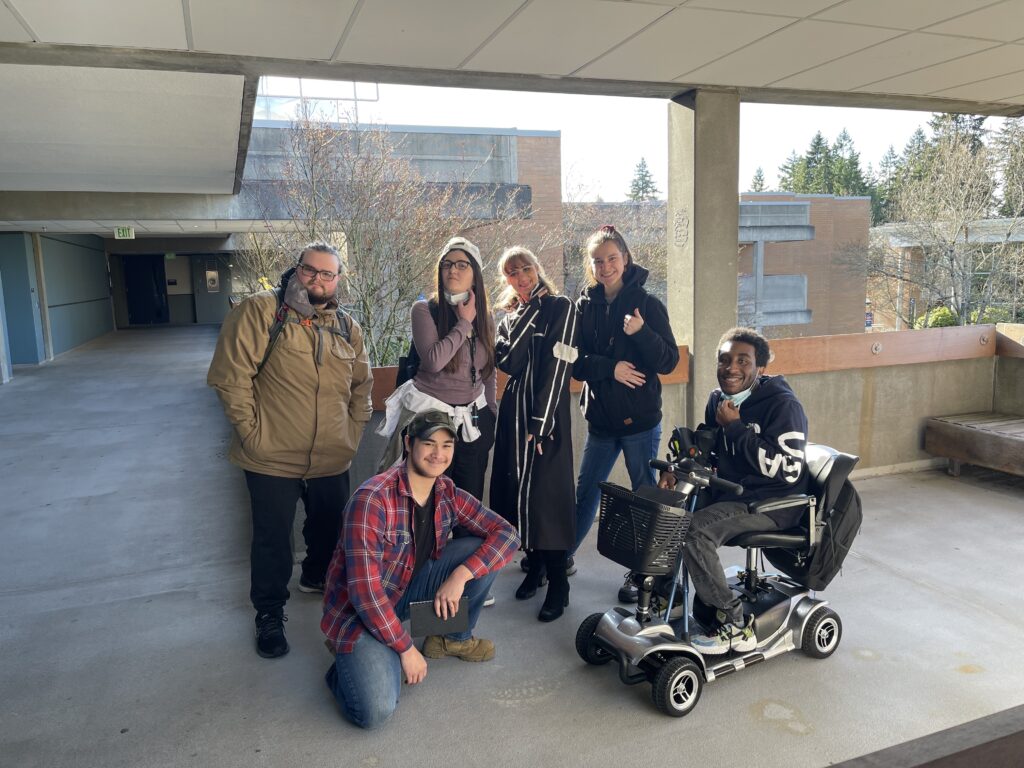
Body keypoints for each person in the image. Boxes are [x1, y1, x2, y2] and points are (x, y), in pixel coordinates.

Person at [207, 242, 373, 659]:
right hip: (272, 456)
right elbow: (230, 378)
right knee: (271, 540)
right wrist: (253, 434)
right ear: (297, 270)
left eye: (328, 274)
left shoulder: (347, 326)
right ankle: (268, 613)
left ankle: (316, 578)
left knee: (330, 530)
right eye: (310, 271)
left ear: (338, 280)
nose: (318, 279)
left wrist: (351, 434)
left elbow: (362, 387)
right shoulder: (261, 311)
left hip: (331, 454)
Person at [322, 410, 519, 730]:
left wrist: (459, 576)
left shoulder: (447, 491)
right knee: (375, 711)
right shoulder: (372, 499)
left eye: (447, 445)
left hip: (404, 591)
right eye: (429, 443)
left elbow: (507, 534)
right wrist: (405, 647)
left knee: (476, 554)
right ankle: (344, 665)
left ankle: (452, 638)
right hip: (360, 612)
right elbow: (365, 593)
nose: (438, 454)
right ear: (409, 443)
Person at [659, 327, 809, 655]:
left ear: (761, 368)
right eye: (724, 360)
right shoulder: (718, 399)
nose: (731, 368)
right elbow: (709, 451)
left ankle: (735, 624)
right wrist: (678, 469)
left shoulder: (783, 406)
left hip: (773, 502)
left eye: (743, 360)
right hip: (734, 492)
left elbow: (789, 470)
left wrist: (736, 428)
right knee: (670, 510)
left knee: (695, 532)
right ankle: (664, 589)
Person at [571, 224, 679, 602]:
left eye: (612, 258)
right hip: (601, 423)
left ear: (626, 259)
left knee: (645, 498)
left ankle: (647, 574)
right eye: (598, 261)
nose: (605, 266)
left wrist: (641, 332)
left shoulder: (647, 305)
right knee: (586, 494)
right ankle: (561, 558)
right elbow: (573, 361)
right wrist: (610, 368)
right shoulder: (585, 306)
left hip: (640, 425)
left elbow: (669, 360)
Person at [489, 247, 579, 622]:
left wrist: (540, 423)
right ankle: (535, 565)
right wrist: (526, 312)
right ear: (506, 279)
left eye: (525, 268)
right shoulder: (512, 315)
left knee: (546, 499)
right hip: (513, 412)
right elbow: (508, 361)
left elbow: (559, 367)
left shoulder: (561, 307)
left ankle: (559, 582)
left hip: (546, 414)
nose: (521, 276)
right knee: (517, 492)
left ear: (537, 269)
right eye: (512, 273)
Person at [376, 236, 497, 499]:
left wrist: (491, 415)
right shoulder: (424, 310)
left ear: (475, 274)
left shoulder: (486, 317)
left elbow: (488, 371)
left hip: (473, 425)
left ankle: (463, 543)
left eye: (462, 265)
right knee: (428, 503)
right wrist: (464, 323)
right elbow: (433, 361)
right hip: (431, 422)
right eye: (447, 264)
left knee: (468, 502)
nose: (453, 269)